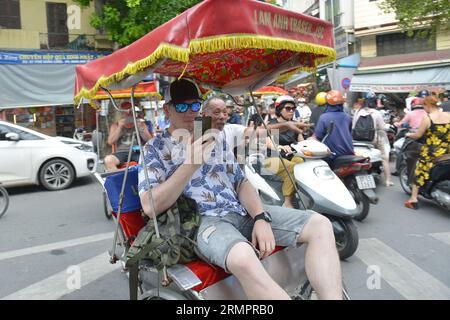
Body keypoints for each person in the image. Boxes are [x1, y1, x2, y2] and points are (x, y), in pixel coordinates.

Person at [138, 79, 343, 300]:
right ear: (167, 110)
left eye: (195, 105)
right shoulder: (154, 148)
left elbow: (240, 181)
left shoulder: (215, 137)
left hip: (241, 211)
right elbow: (150, 206)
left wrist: (260, 217)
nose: (189, 112)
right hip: (203, 222)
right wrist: (191, 164)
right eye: (181, 106)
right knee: (244, 257)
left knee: (320, 225)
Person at [404, 96, 450, 209]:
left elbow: (418, 135)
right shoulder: (448, 115)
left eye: (424, 106)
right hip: (447, 152)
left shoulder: (428, 118)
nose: (424, 108)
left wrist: (409, 135)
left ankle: (413, 199)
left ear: (428, 105)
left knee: (419, 172)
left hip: (431, 153)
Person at [261, 95, 305, 208]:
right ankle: (287, 202)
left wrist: (310, 140)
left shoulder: (295, 124)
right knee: (292, 167)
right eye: (288, 108)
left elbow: (302, 144)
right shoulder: (271, 124)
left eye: (293, 109)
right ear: (279, 110)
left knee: (302, 162)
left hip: (290, 157)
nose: (291, 111)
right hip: (272, 159)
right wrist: (279, 147)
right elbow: (268, 142)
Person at [353, 94, 394, 186]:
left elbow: (353, 126)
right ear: (375, 102)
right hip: (372, 139)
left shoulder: (357, 112)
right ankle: (388, 180)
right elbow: (382, 128)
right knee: (384, 158)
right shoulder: (376, 112)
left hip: (358, 139)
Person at [104, 102, 153, 172]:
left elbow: (150, 140)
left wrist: (141, 128)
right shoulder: (116, 125)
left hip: (137, 152)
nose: (128, 114)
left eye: (131, 111)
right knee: (108, 160)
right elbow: (110, 141)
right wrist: (119, 127)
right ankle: (119, 177)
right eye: (126, 112)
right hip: (120, 153)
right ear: (121, 113)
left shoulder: (140, 124)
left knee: (150, 159)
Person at [313, 90, 354, 163]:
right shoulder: (347, 117)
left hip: (332, 156)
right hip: (350, 154)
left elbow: (318, 136)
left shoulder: (324, 117)